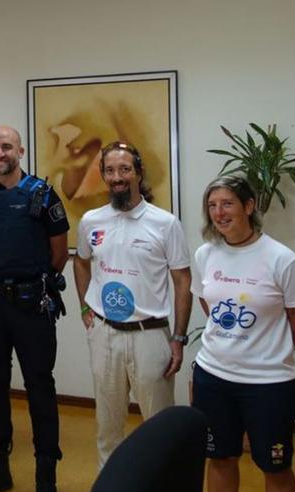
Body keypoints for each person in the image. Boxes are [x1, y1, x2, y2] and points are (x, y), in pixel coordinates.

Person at [191, 176, 295, 492]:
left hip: (268, 384)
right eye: (212, 206)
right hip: (213, 377)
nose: (219, 213)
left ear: (249, 206)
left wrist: (272, 350)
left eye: (227, 203)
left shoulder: (281, 259)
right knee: (220, 458)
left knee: (275, 467)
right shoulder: (205, 254)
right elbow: (208, 302)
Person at [72, 141, 192, 470]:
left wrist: (178, 338)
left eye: (124, 169)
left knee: (159, 427)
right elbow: (81, 263)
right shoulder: (91, 221)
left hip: (150, 335)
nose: (117, 177)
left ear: (138, 173)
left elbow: (183, 281)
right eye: (110, 170)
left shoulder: (165, 223)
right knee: (108, 428)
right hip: (105, 334)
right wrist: (85, 309)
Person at [0, 126, 69, 492]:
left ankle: (46, 478)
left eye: (6, 146)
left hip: (31, 307)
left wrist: (28, 282)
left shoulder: (42, 194)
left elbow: (59, 254)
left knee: (40, 386)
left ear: (20, 151)